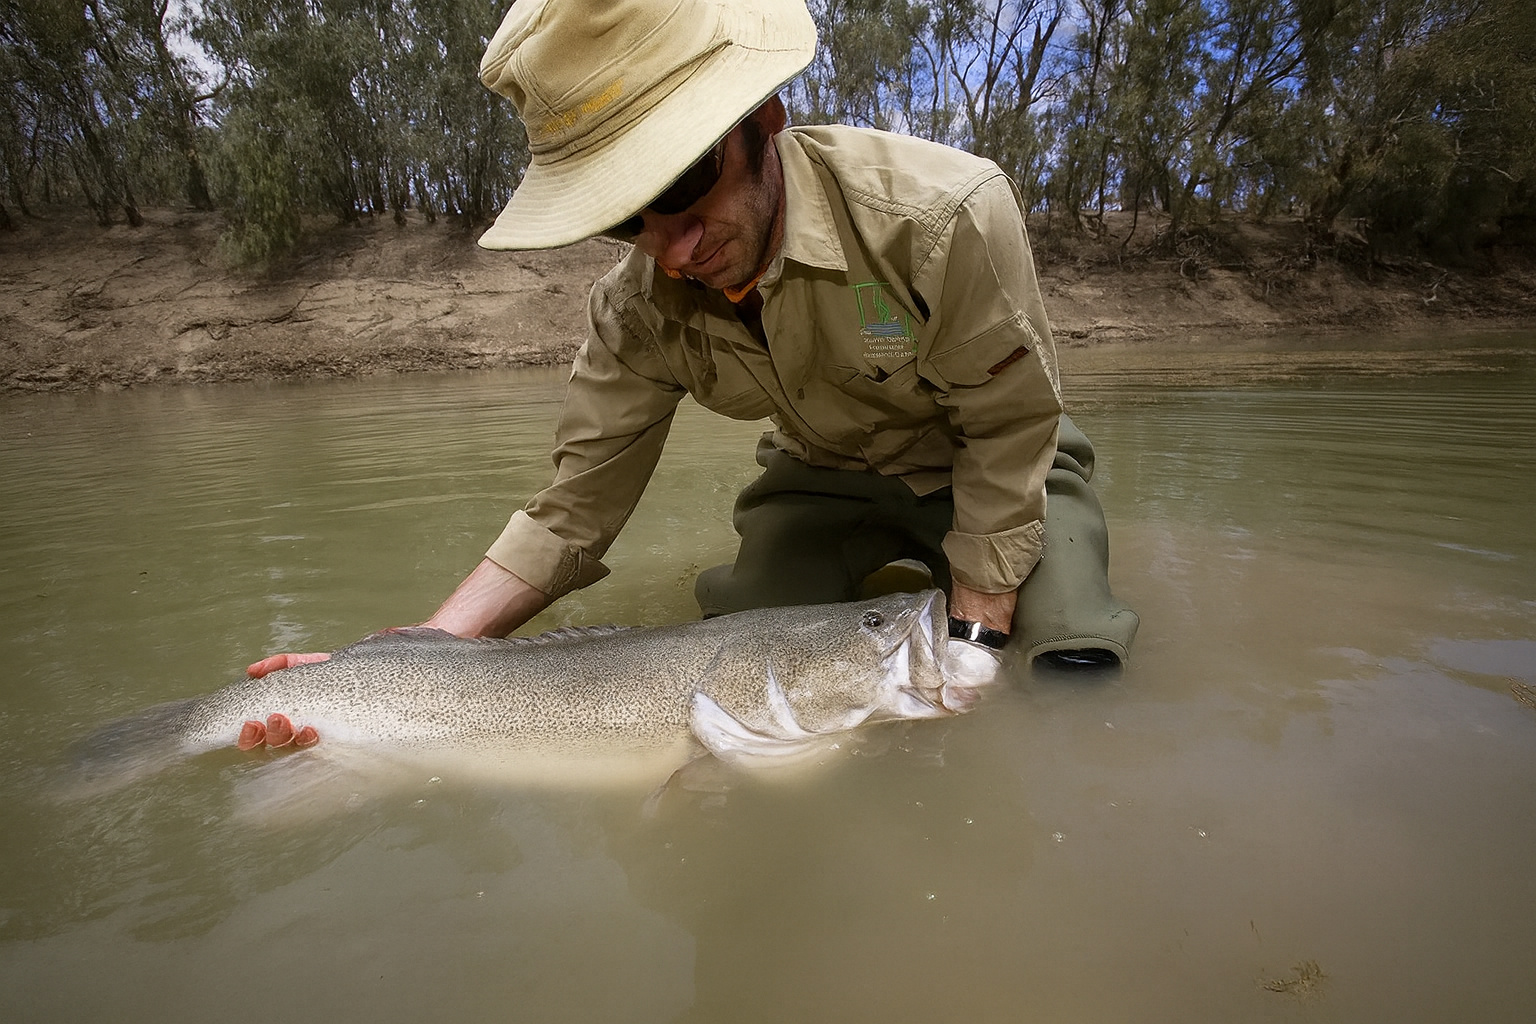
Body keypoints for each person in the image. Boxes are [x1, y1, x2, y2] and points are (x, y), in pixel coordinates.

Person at [248, 0, 1137, 681]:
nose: (670, 246)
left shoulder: (945, 216)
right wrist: (425, 653)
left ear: (766, 119)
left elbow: (1009, 424)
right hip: (821, 479)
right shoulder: (634, 311)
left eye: (683, 182)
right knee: (739, 652)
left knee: (1069, 654)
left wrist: (975, 637)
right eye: (624, 216)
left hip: (995, 461)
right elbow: (575, 508)